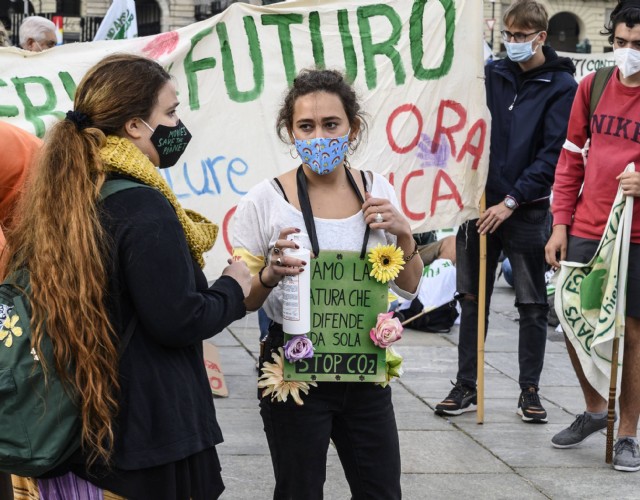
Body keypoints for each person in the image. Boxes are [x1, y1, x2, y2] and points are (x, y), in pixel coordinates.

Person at [4, 54, 251, 499]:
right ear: (135, 126)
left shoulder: (66, 195)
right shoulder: (143, 206)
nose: (178, 124)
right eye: (171, 112)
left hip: (76, 432)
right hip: (142, 439)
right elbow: (178, 319)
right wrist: (235, 285)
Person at [232, 68, 422, 499]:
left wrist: (405, 234)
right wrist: (269, 272)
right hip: (295, 371)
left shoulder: (378, 190)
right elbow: (245, 300)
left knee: (381, 490)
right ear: (290, 132)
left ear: (352, 129)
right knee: (299, 490)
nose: (319, 136)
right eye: (306, 126)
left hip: (364, 371)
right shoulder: (264, 201)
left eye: (331, 124)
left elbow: (409, 288)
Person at [434, 0, 577, 423]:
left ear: (540, 37)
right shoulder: (492, 74)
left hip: (526, 210)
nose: (512, 43)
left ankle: (529, 391)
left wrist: (511, 201)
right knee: (471, 297)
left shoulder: (561, 86)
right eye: (508, 35)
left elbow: (552, 155)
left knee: (532, 304)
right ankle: (466, 385)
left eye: (520, 36)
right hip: (478, 204)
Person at [545, 0, 640, 472]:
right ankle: (595, 409)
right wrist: (560, 223)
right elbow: (570, 159)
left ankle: (627, 433)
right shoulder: (594, 85)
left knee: (634, 334)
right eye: (621, 43)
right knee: (569, 313)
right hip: (587, 226)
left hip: (637, 236)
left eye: (638, 46)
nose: (628, 53)